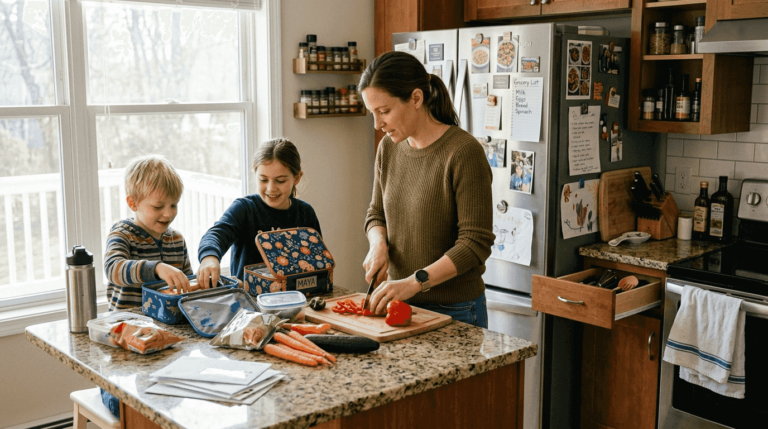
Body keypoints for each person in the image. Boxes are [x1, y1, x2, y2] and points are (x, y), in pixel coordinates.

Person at [359, 51, 495, 328]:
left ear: (416, 99)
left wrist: (415, 282)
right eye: (372, 113)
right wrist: (378, 245)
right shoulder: (389, 147)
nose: (377, 124)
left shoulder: (463, 152)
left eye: (384, 111)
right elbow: (376, 214)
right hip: (399, 303)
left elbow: (474, 244)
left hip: (456, 310)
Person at [101, 154, 193, 418]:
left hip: (165, 342)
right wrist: (156, 268)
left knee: (173, 406)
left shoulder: (177, 239)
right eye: (158, 206)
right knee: (126, 407)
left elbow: (187, 285)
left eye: (174, 205)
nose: (168, 213)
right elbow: (114, 269)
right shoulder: (122, 234)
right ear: (133, 203)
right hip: (123, 344)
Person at [197, 138, 322, 287]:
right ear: (255, 174)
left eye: (280, 181)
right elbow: (216, 234)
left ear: (296, 178)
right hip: (250, 304)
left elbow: (318, 263)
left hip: (298, 300)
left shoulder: (306, 213)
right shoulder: (244, 209)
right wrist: (209, 257)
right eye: (263, 180)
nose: (271, 188)